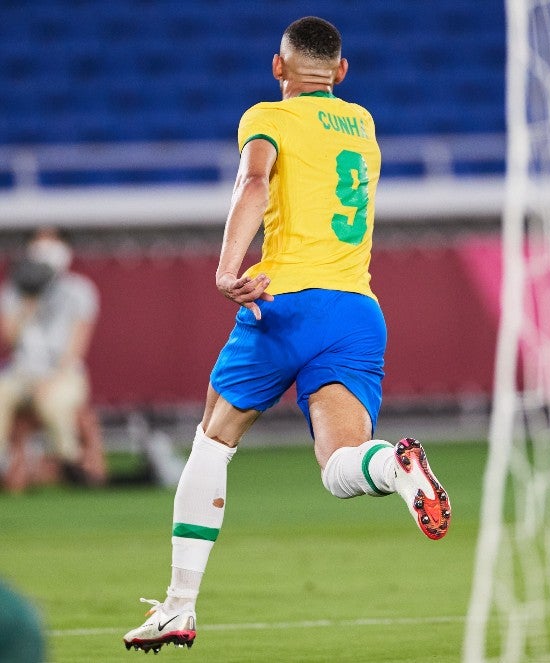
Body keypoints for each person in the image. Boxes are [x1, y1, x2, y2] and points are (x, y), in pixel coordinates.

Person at [123, 17, 451, 653]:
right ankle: (396, 466)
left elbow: (254, 180)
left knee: (213, 442)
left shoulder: (266, 117)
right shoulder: (363, 123)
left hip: (287, 301)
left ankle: (179, 607)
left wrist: (226, 269)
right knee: (339, 467)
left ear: (279, 70)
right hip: (358, 309)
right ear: (343, 72)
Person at [0, 228, 104, 490]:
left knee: (55, 403)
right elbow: (9, 340)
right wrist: (27, 303)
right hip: (21, 372)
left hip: (63, 373)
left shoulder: (80, 291)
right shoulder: (13, 291)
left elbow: (76, 349)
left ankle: (72, 463)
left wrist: (50, 380)